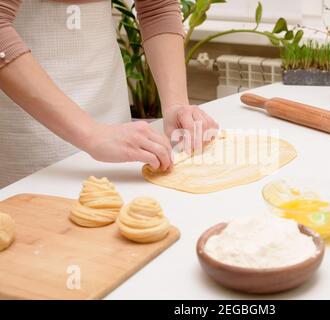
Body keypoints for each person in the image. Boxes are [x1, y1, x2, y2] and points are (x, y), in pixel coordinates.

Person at [0, 0, 218, 188]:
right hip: (26, 134)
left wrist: (175, 105)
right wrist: (92, 133)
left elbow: (157, 7)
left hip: (113, 120)